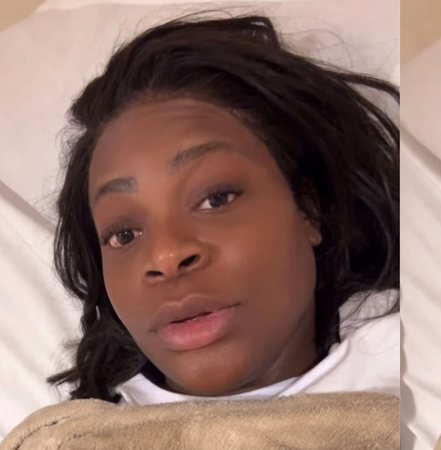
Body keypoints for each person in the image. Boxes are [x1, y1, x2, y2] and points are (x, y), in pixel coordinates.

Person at [47, 14, 399, 404]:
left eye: (216, 199)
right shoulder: (69, 432)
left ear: (308, 208)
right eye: (124, 234)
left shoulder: (409, 380)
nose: (166, 256)